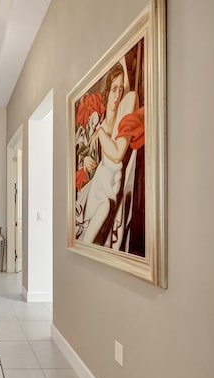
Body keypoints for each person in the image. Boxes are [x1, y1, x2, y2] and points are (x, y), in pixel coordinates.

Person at [74, 62, 141, 248]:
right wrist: (86, 158)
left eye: (120, 89)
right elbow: (85, 151)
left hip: (109, 189)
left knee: (89, 241)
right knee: (85, 239)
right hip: (98, 185)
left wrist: (102, 134)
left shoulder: (121, 114)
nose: (118, 95)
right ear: (107, 91)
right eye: (113, 89)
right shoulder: (101, 120)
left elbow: (117, 153)